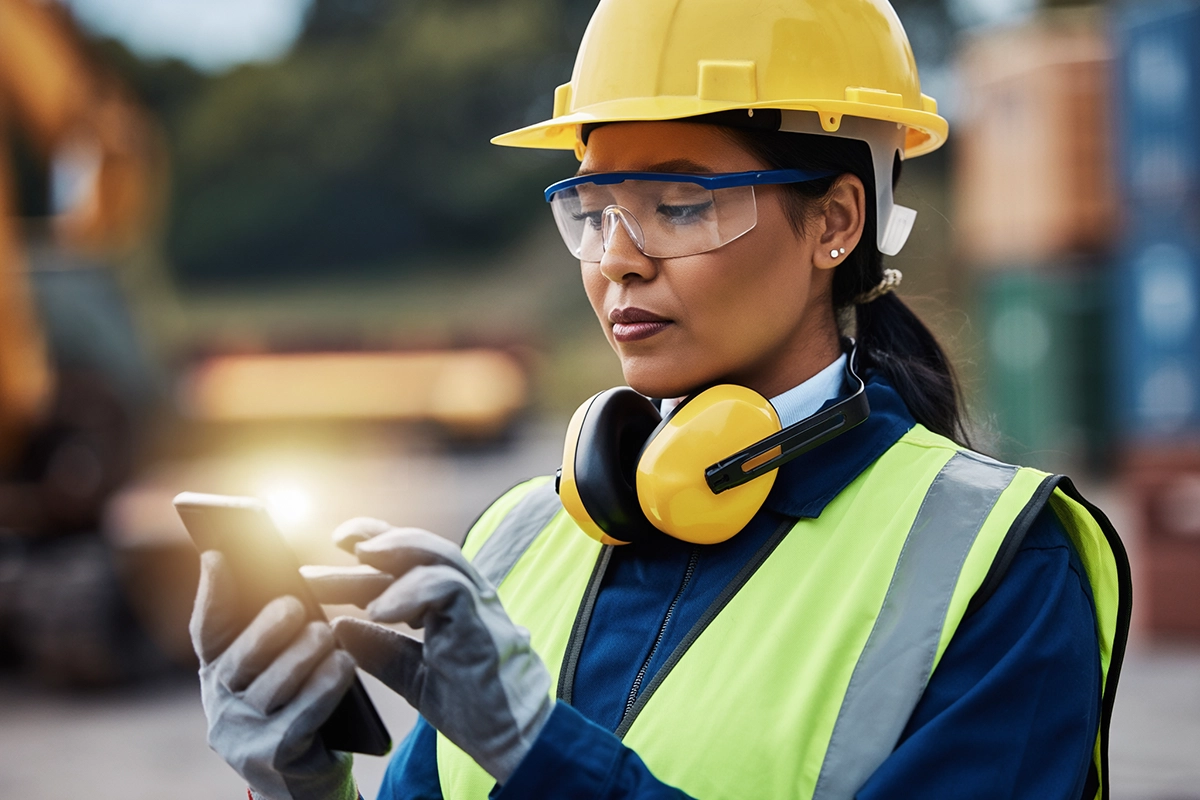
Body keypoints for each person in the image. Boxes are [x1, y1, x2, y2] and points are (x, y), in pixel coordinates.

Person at [189, 0, 1131, 798]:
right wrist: (304, 781)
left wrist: (538, 755)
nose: (617, 258)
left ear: (837, 222)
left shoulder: (1000, 568)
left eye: (680, 206)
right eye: (594, 211)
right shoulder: (518, 539)